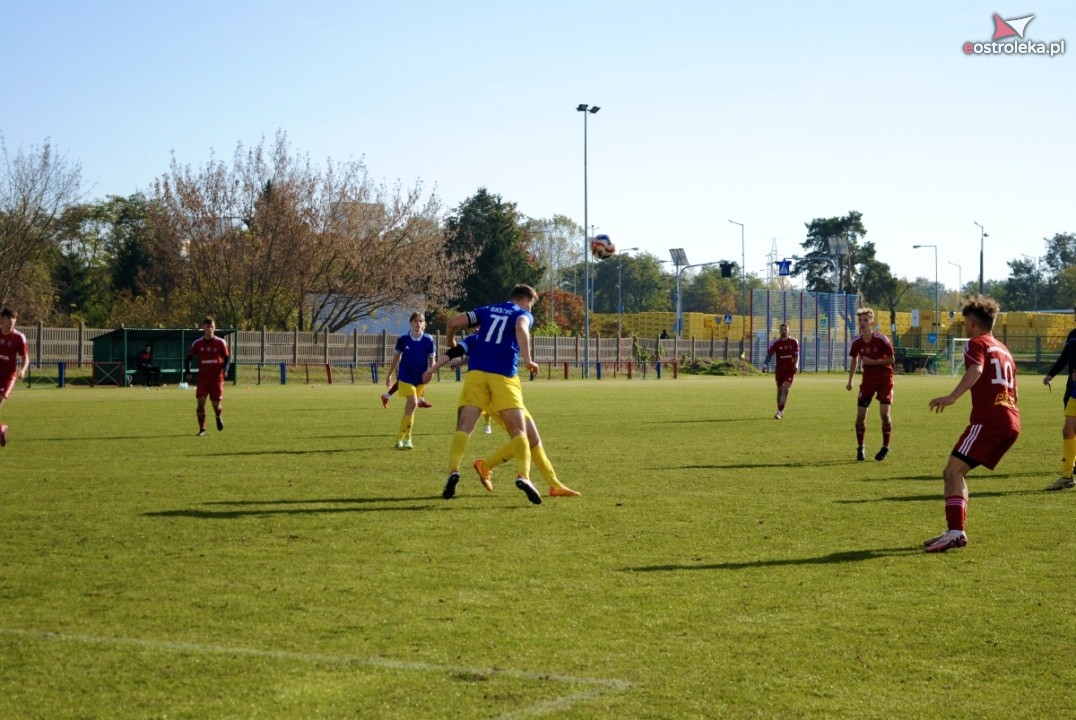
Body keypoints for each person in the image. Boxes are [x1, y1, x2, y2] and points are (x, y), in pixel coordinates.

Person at [423, 284, 542, 505]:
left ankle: (453, 470)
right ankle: (523, 476)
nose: (531, 309)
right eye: (531, 305)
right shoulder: (521, 314)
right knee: (519, 430)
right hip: (503, 376)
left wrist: (449, 342)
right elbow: (521, 327)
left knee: (464, 427)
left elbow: (452, 323)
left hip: (476, 375)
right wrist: (528, 359)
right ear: (525, 300)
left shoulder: (486, 310)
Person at [925, 296, 1019, 553]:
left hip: (990, 420)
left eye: (966, 323)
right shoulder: (1004, 349)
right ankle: (954, 530)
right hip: (1011, 419)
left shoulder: (976, 344)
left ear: (971, 323)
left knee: (952, 472)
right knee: (956, 472)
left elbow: (975, 370)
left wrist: (953, 396)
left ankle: (956, 532)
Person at [846, 307, 895, 461]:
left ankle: (885, 447)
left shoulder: (882, 339)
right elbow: (854, 360)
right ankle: (860, 448)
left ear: (871, 322)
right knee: (860, 416)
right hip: (867, 381)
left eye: (866, 320)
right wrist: (850, 380)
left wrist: (873, 362)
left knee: (884, 414)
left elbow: (892, 360)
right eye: (860, 320)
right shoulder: (856, 342)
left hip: (884, 380)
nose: (863, 323)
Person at [383, 312, 435, 450]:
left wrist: (431, 371)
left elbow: (432, 359)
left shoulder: (429, 340)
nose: (418, 324)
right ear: (411, 323)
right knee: (412, 403)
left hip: (420, 379)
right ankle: (405, 439)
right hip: (405, 377)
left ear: (424, 324)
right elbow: (396, 358)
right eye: (415, 321)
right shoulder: (403, 339)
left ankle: (403, 439)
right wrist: (389, 375)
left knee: (411, 409)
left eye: (421, 321)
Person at [1042, 306, 1076, 491]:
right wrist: (1051, 374)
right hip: (1074, 391)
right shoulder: (1073, 335)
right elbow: (1064, 357)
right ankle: (1067, 477)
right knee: (1069, 430)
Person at [184, 316, 230, 436]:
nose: (209, 329)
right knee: (200, 402)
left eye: (212, 327)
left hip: (216, 379)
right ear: (203, 328)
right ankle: (202, 429)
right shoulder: (198, 343)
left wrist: (225, 369)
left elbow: (227, 358)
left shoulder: (221, 342)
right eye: (207, 327)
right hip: (203, 379)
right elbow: (189, 358)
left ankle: (218, 416)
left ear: (215, 328)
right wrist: (187, 371)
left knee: (215, 404)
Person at [0, 307, 30, 447]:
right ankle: (1, 428)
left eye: (14, 318)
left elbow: (25, 357)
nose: (12, 321)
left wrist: (23, 370)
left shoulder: (19, 337)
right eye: (9, 318)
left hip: (9, 376)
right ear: (3, 318)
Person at [763, 323, 799, 419]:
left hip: (790, 369)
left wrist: (796, 365)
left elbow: (796, 355)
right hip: (780, 370)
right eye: (782, 329)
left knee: (786, 388)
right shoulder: (775, 343)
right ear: (779, 331)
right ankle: (780, 409)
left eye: (785, 329)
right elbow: (770, 354)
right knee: (779, 391)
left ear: (788, 331)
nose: (784, 331)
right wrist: (765, 364)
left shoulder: (794, 342)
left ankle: (779, 411)